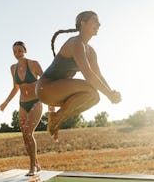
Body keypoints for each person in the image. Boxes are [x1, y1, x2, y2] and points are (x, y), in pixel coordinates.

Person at [36, 11, 121, 140]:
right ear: (83, 23)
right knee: (90, 88)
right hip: (45, 88)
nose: (99, 24)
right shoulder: (75, 42)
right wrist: (110, 95)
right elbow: (89, 75)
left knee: (94, 97)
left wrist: (111, 92)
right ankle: (56, 118)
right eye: (95, 21)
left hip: (59, 93)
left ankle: (57, 119)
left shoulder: (91, 52)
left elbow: (98, 75)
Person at [0, 41, 44, 176]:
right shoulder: (13, 68)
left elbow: (45, 83)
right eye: (14, 52)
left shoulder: (34, 64)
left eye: (19, 50)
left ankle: (32, 168)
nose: (17, 54)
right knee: (24, 135)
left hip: (36, 102)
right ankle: (36, 164)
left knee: (28, 132)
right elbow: (16, 87)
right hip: (22, 104)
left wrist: (52, 104)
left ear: (25, 50)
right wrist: (6, 102)